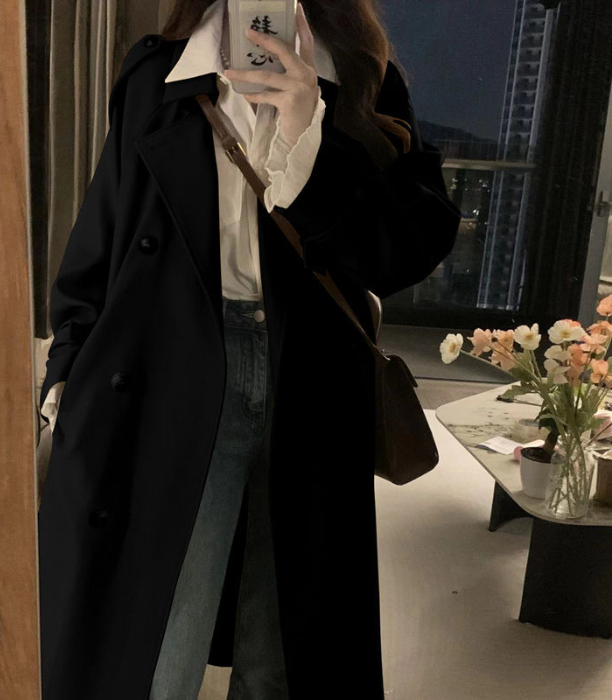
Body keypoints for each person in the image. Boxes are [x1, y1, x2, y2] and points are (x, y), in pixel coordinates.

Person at [37, 2, 461, 699]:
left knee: (284, 651)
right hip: (171, 369)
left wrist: (308, 136)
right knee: (157, 644)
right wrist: (67, 364)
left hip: (312, 378)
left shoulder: (362, 75)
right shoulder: (158, 72)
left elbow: (410, 247)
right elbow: (102, 234)